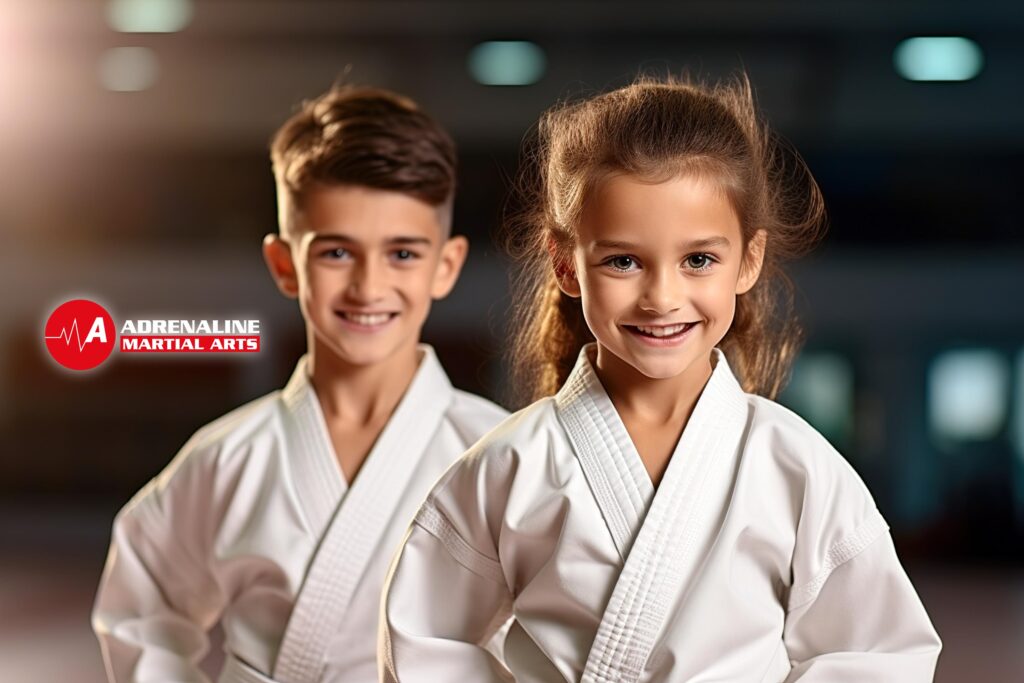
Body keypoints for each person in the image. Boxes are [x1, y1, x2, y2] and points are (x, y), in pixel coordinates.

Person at [379, 75, 942, 682]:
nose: (662, 298)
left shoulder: (795, 466)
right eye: (623, 261)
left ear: (747, 260)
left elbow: (879, 654)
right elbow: (425, 641)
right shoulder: (509, 465)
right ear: (567, 264)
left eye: (698, 259)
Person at [92, 84, 508, 683]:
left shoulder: (496, 453)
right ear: (285, 265)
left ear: (446, 265)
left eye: (403, 254)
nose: (369, 286)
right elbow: (142, 606)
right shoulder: (229, 456)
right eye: (337, 253)